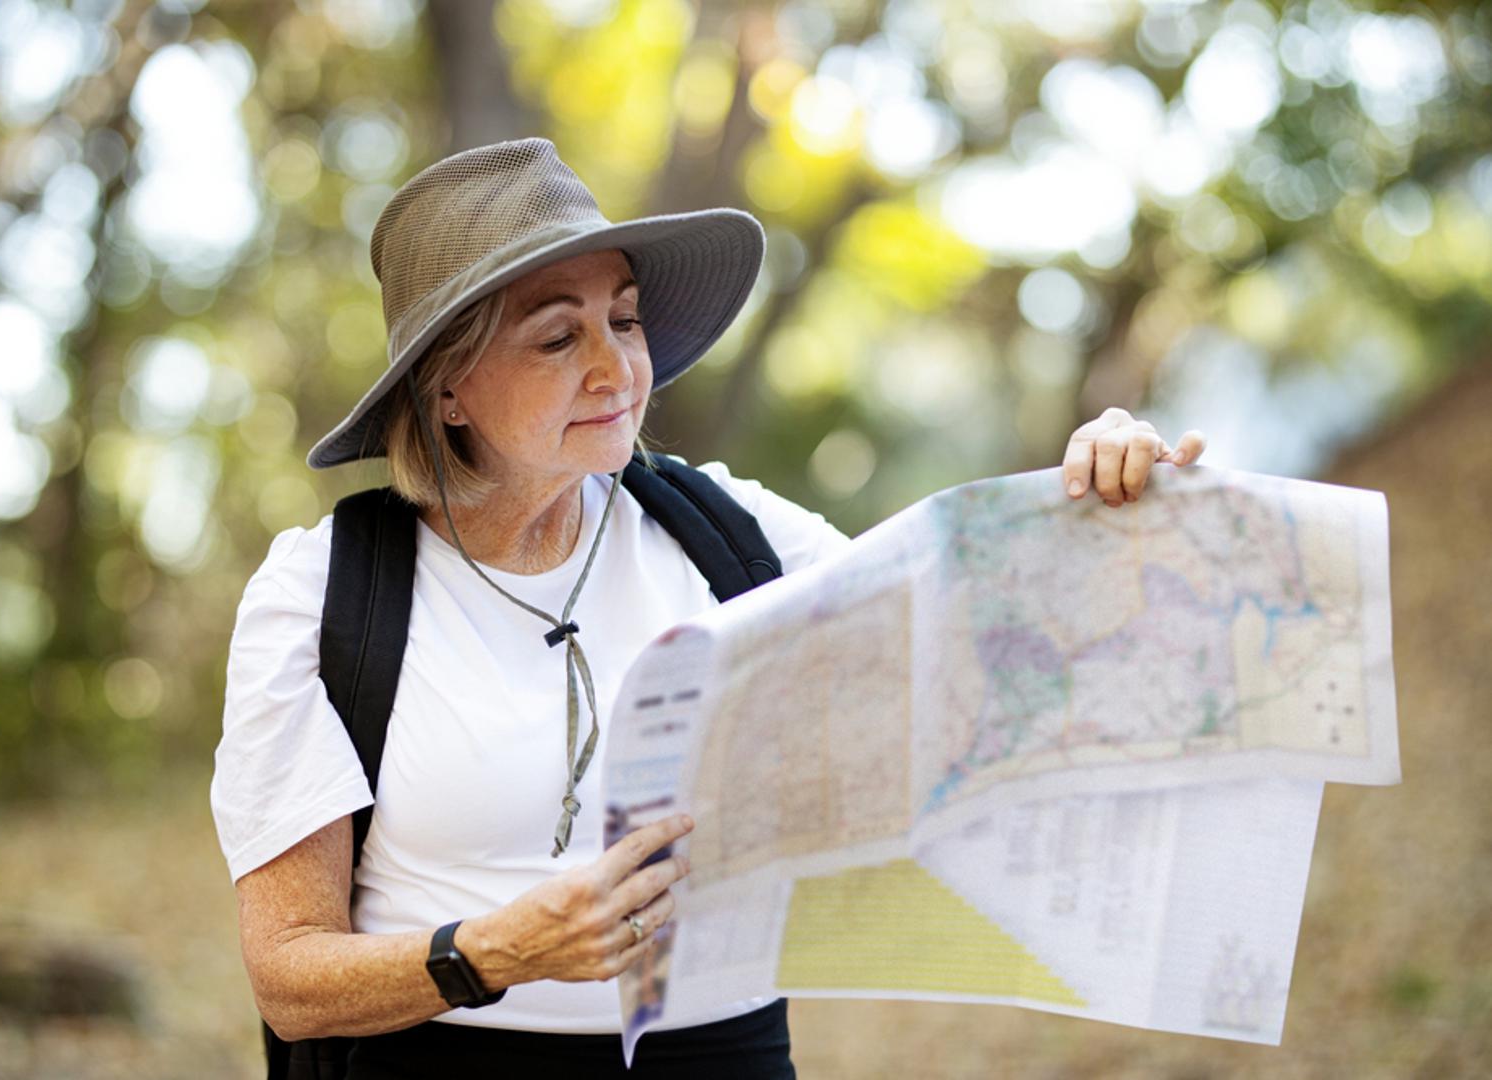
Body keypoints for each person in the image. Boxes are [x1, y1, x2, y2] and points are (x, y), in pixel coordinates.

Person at [209, 137, 1205, 1079]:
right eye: (558, 336)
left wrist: (1099, 493)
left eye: (624, 319)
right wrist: (501, 950)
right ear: (448, 391)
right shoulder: (324, 595)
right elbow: (290, 978)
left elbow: (988, 627)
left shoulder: (729, 535)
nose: (615, 368)